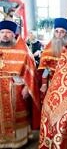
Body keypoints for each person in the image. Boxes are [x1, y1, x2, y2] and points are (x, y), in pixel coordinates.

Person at [0, 20, 40, 148]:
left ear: (14, 34)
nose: (5, 35)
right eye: (2, 32)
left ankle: (18, 141)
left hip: (16, 89)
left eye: (8, 32)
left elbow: (31, 71)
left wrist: (27, 88)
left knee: (17, 116)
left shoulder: (23, 50)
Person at [38, 18, 67, 100]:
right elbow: (46, 68)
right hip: (51, 83)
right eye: (57, 31)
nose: (59, 34)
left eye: (62, 31)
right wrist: (44, 83)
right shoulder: (49, 47)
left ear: (66, 33)